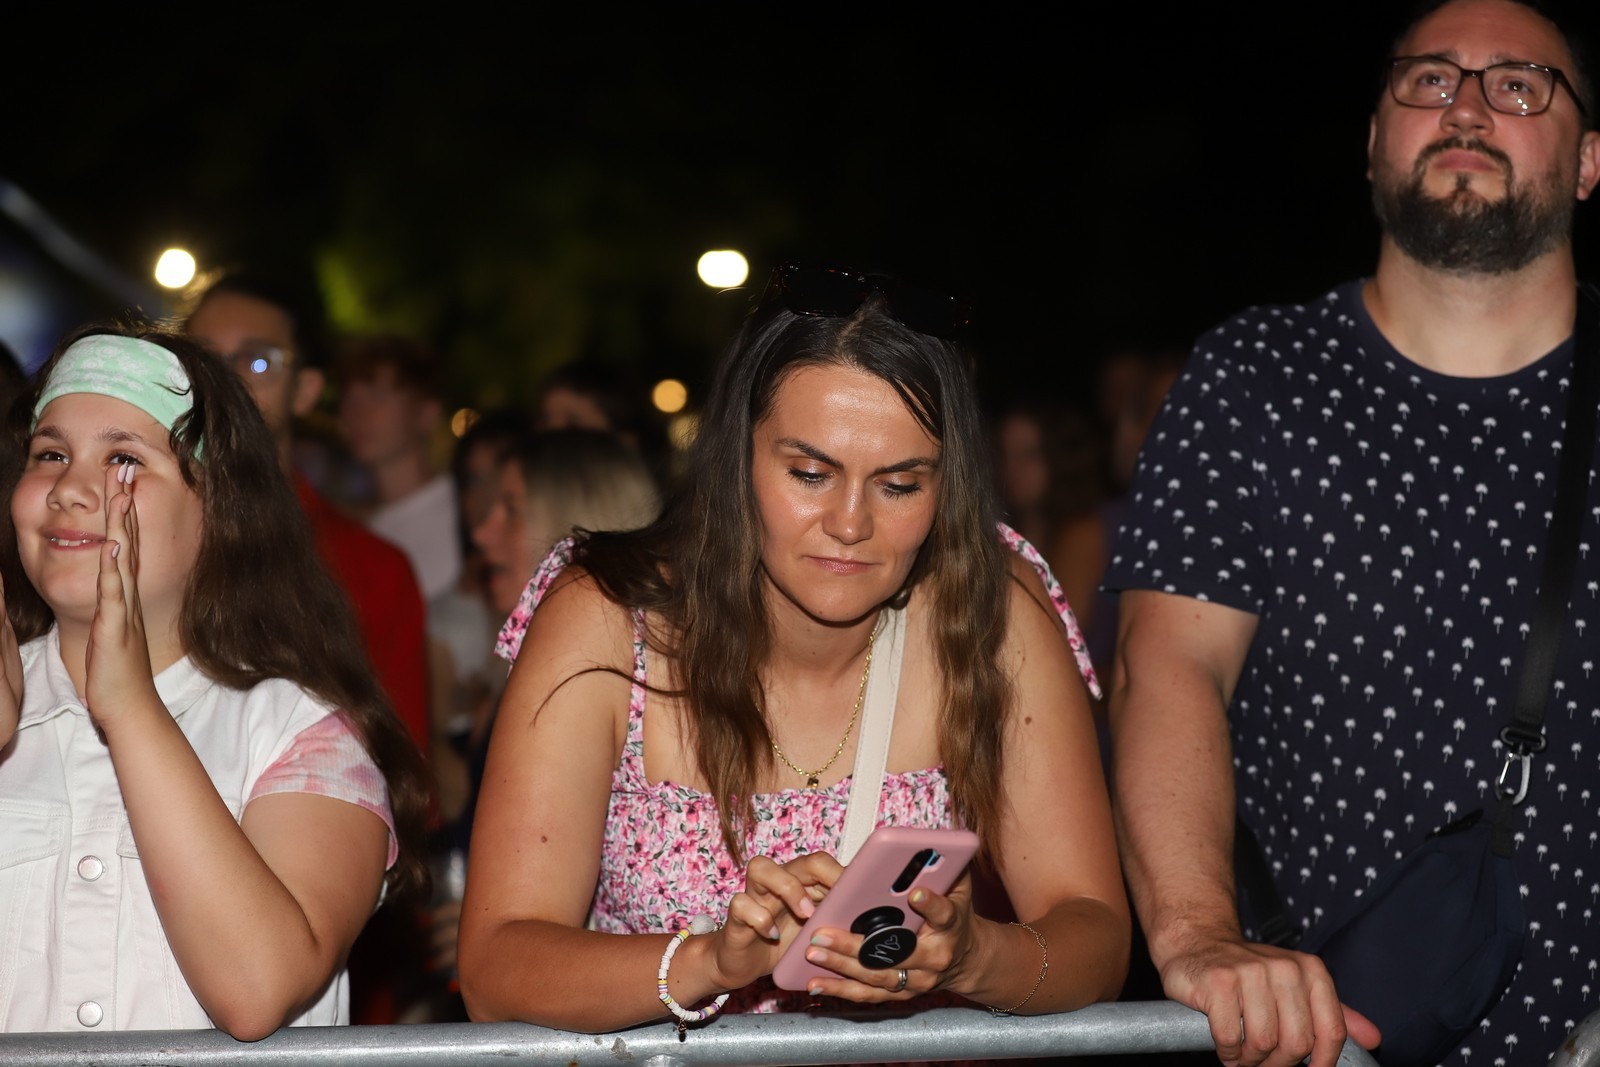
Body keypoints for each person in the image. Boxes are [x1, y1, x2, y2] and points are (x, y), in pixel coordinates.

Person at [1103, 2, 1600, 1064]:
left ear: (1588, 159)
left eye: (1518, 85)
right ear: (1375, 139)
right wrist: (1198, 934)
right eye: (1427, 81)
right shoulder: (1253, 380)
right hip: (1338, 1034)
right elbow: (1166, 664)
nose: (1465, 105)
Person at [456, 264, 1129, 1034]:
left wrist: (976, 956)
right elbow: (496, 968)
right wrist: (712, 961)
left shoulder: (991, 605)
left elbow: (1097, 937)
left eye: (900, 485)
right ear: (737, 458)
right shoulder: (606, 613)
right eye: (811, 472)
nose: (850, 522)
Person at [0, 324, 431, 1035]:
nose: (72, 488)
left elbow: (256, 986)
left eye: (123, 459)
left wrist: (131, 708)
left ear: (218, 511)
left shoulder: (300, 735)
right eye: (50, 453)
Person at [182, 271, 432, 758]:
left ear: (306, 390)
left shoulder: (374, 569)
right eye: (203, 358)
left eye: (258, 360)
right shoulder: (130, 530)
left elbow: (406, 772)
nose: (227, 378)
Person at [334, 334, 460, 606]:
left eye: (377, 396)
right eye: (349, 397)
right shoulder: (349, 524)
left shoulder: (462, 516)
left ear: (427, 412)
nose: (357, 411)